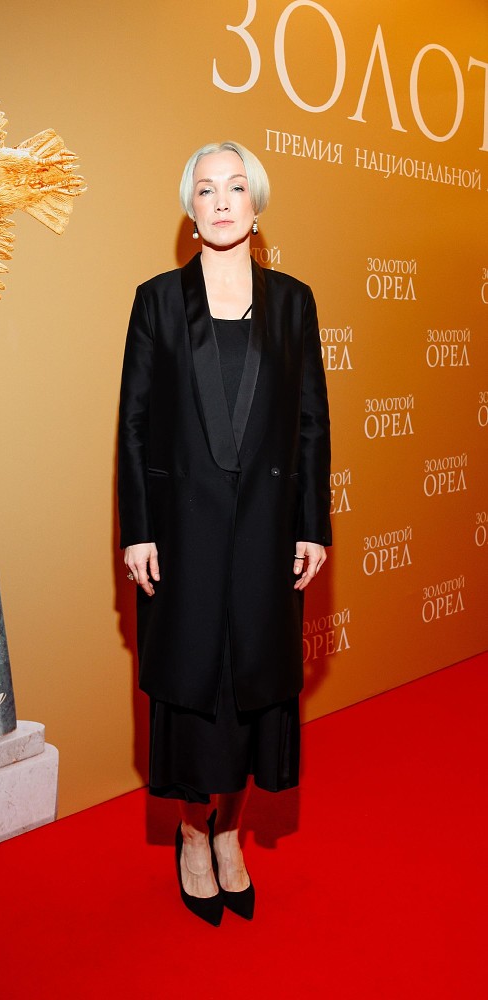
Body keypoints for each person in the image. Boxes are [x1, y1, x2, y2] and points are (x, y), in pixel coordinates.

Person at [118, 141, 331, 925]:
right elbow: (133, 423)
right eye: (205, 189)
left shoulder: (294, 302)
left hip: (267, 537)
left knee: (253, 690)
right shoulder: (155, 301)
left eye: (235, 187)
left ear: (255, 204)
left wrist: (312, 524)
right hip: (181, 538)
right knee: (190, 690)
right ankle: (188, 832)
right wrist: (138, 531)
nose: (220, 201)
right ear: (189, 207)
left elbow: (310, 422)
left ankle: (231, 831)